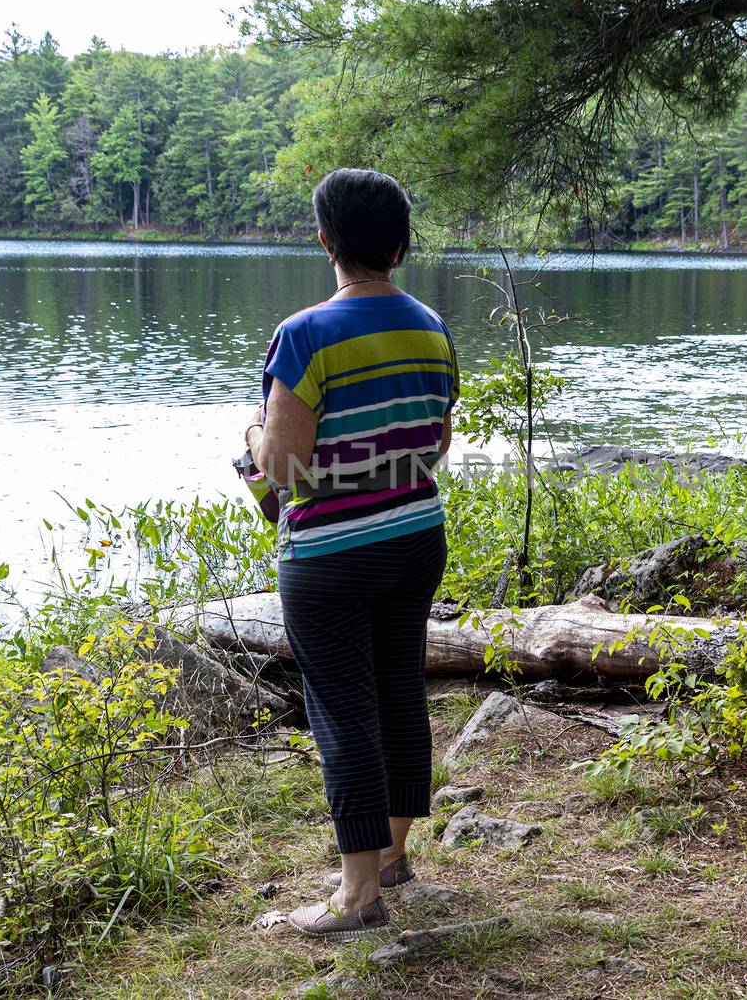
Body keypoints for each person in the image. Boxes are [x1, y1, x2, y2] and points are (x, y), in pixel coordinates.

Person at [245, 168, 458, 941]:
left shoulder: (304, 335)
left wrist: (251, 444)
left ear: (326, 239)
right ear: (400, 245)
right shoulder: (433, 326)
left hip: (330, 555)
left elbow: (287, 468)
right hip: (414, 535)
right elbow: (434, 440)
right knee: (400, 689)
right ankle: (394, 854)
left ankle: (357, 894)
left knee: (342, 710)